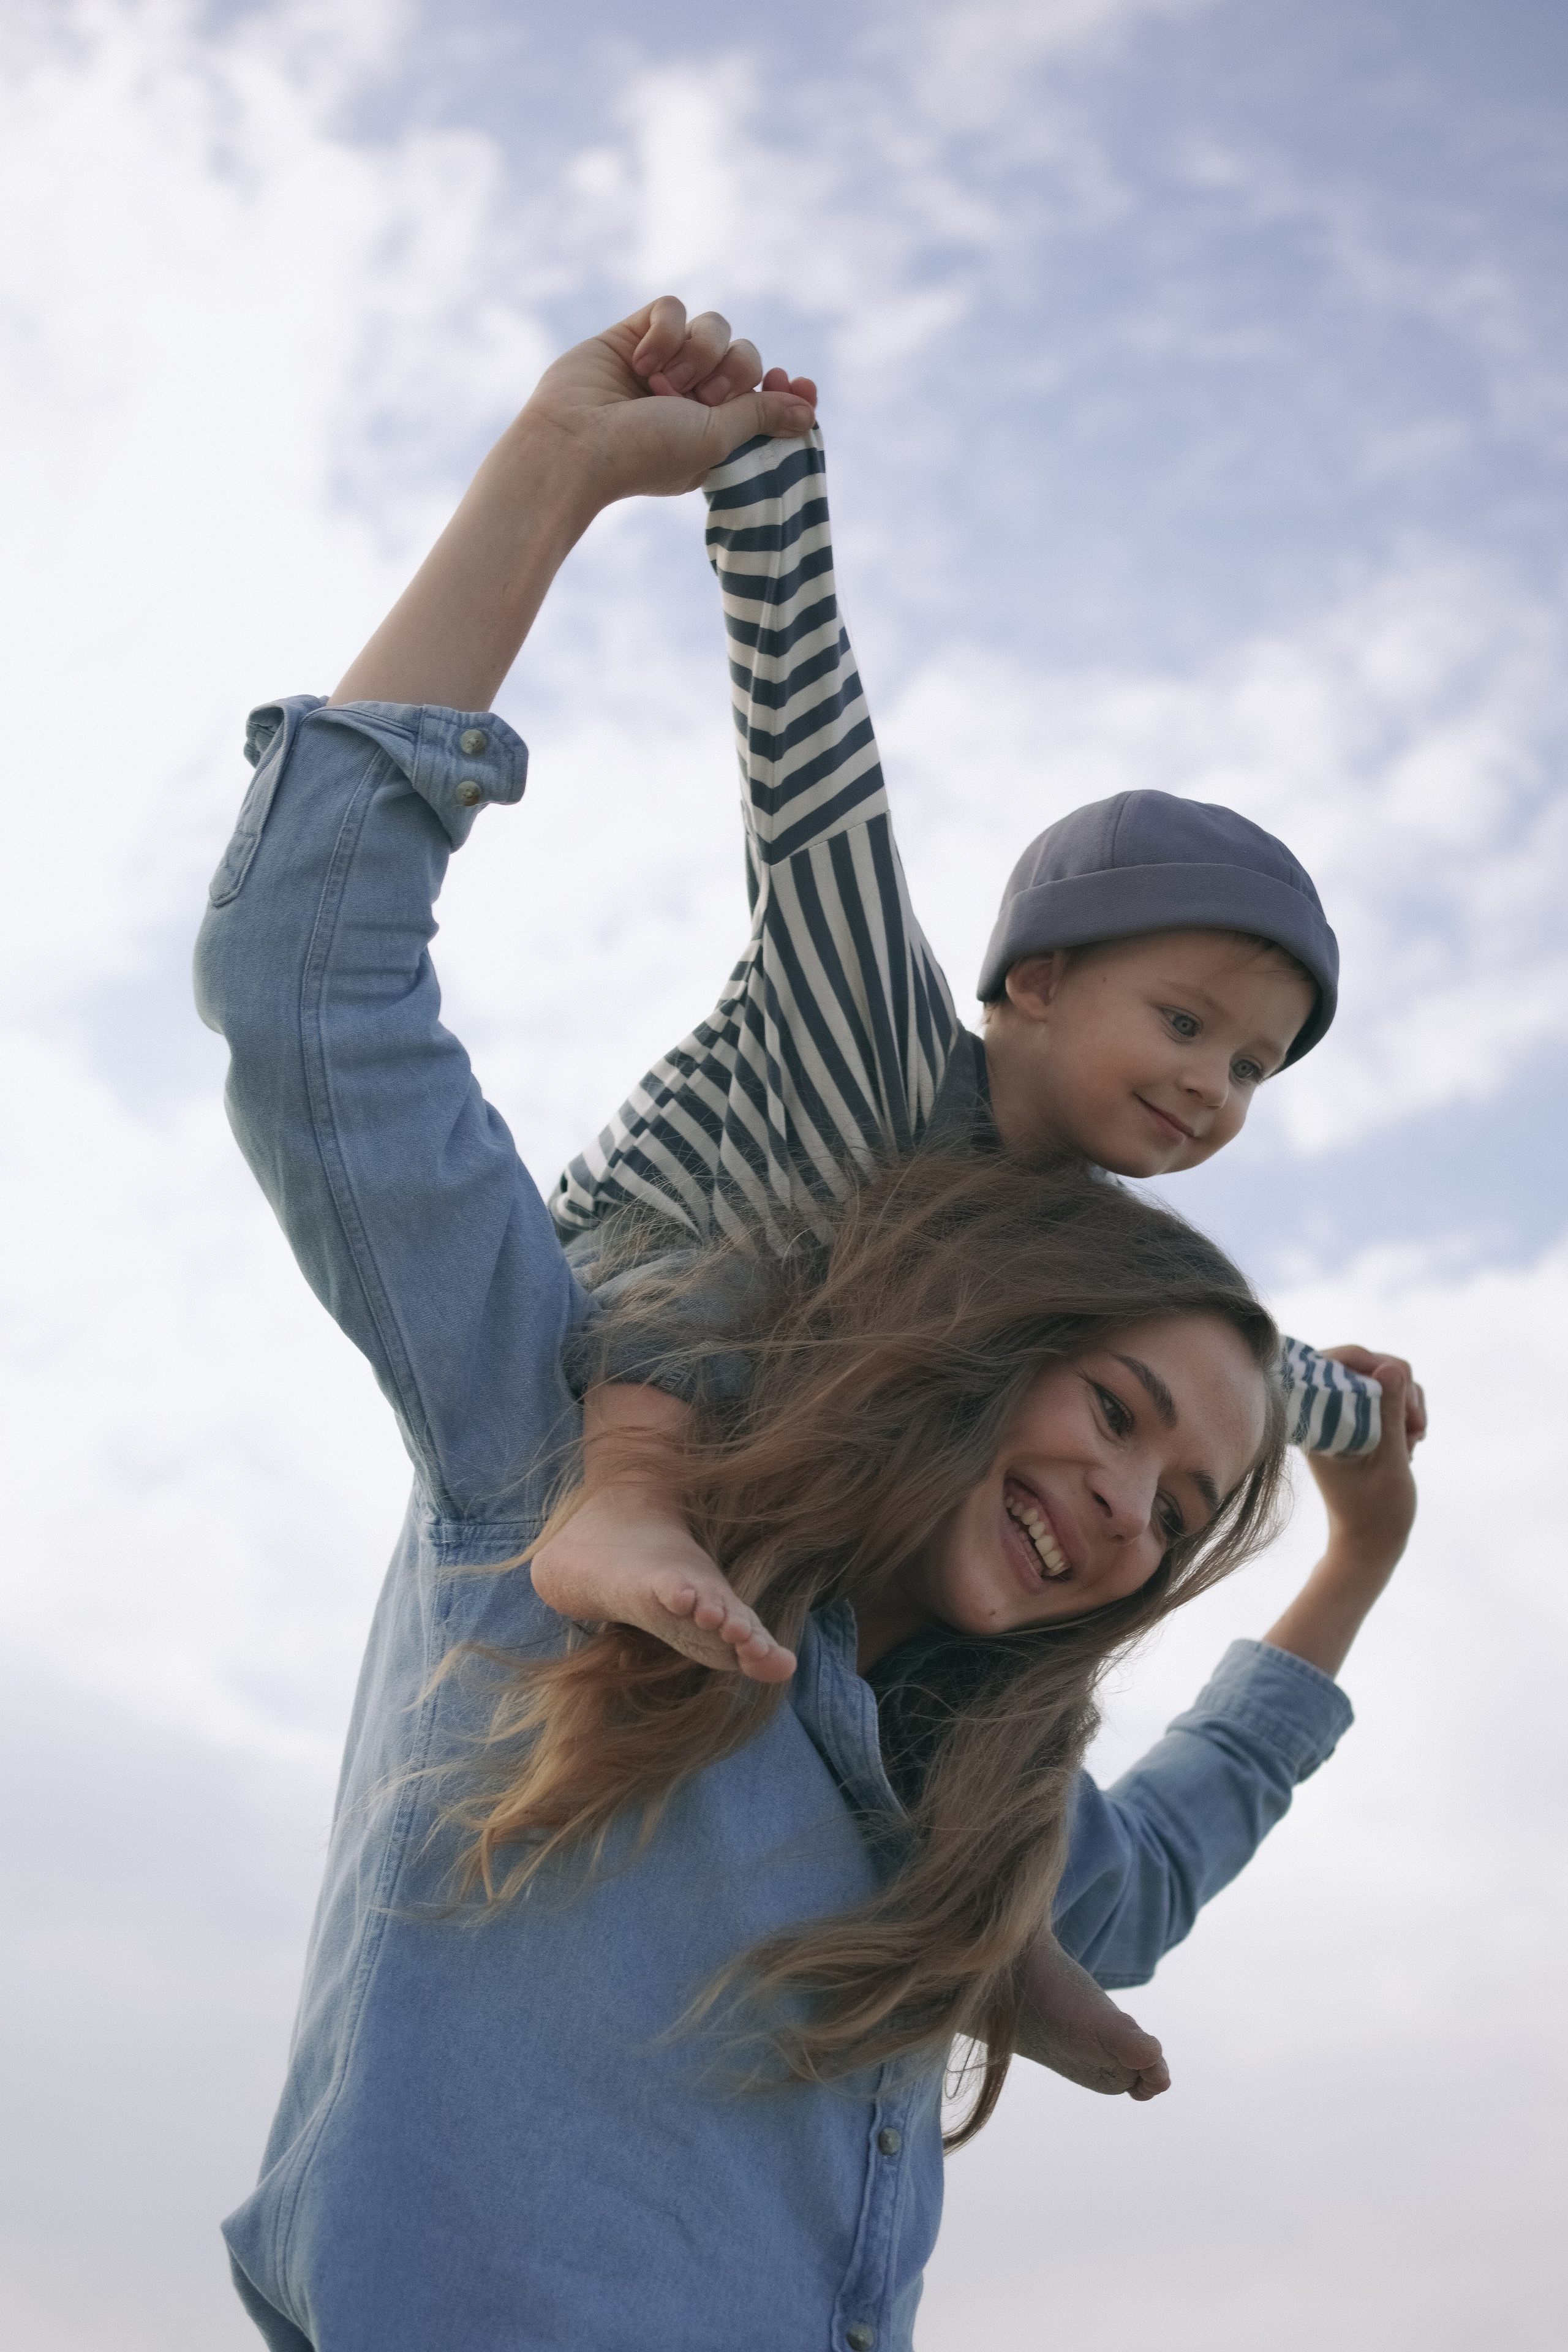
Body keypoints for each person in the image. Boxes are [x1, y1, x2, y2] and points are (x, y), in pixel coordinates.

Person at [197, 301, 1419, 2352]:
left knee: (1001, 1837)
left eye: (1252, 1069)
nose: (1134, 1507)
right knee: (685, 1338)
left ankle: (983, 1940)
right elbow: (797, 772)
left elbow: (1218, 1429)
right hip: (651, 1309)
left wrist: (1351, 1496)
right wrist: (720, 479)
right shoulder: (829, 1071)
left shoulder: (980, 1621)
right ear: (1034, 981)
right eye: (1186, 1023)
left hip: (903, 1706)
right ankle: (650, 1512)